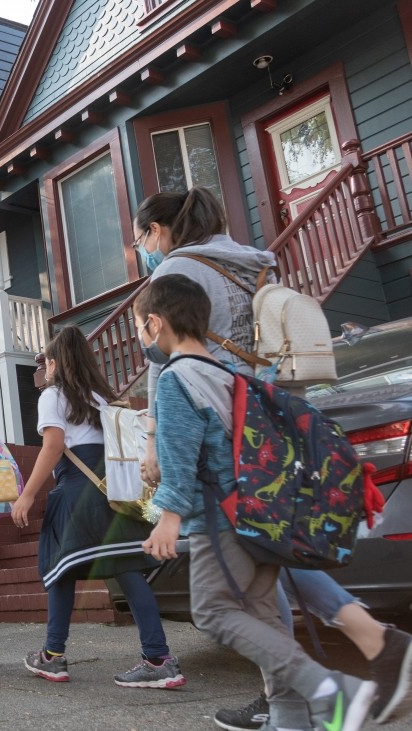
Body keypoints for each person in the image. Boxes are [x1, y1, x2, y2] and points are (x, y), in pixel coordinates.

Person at [134, 189, 412, 728]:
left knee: (219, 609)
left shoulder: (174, 286)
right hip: (257, 442)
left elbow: (175, 425)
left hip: (219, 485)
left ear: (160, 231)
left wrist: (160, 473)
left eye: (141, 235)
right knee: (265, 592)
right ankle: (298, 708)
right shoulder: (252, 264)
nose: (141, 247)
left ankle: (329, 690)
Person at [9, 327, 183, 688]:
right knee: (128, 570)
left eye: (47, 360)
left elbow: (53, 446)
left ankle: (53, 656)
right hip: (112, 491)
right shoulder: (102, 397)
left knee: (60, 570)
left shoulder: (52, 395)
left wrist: (27, 494)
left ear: (55, 363)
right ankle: (158, 657)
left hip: (75, 490)